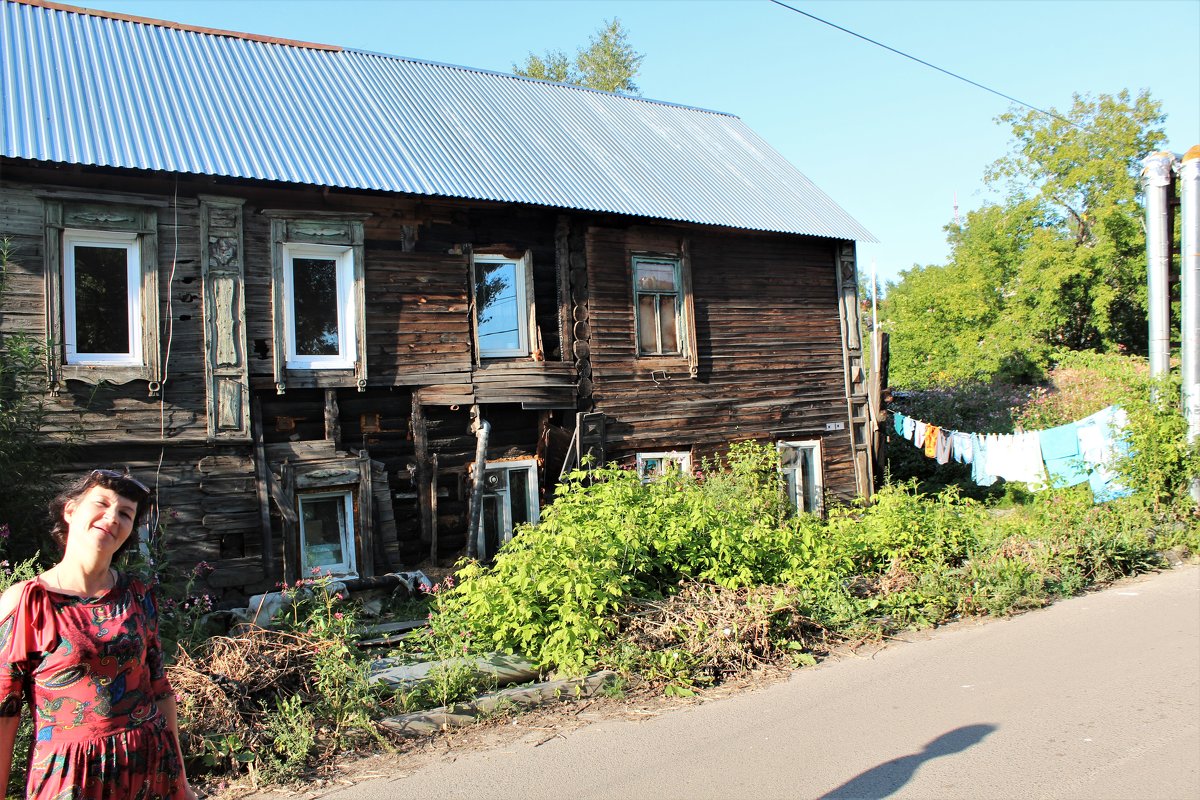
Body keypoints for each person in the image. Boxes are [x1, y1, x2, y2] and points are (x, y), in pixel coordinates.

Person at [0, 469, 196, 799]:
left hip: (152, 767)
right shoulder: (28, 602)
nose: (111, 517)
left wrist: (184, 786)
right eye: (101, 504)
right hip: (70, 776)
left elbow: (160, 690)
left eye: (124, 513)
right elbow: (5, 712)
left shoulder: (137, 594)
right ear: (71, 511)